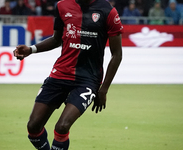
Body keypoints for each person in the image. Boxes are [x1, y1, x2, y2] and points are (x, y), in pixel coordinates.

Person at [13, 0, 123, 149]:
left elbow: (116, 55)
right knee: (33, 126)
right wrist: (31, 50)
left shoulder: (109, 11)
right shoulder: (62, 6)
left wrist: (104, 89)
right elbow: (56, 40)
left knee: (62, 126)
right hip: (60, 74)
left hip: (88, 79)